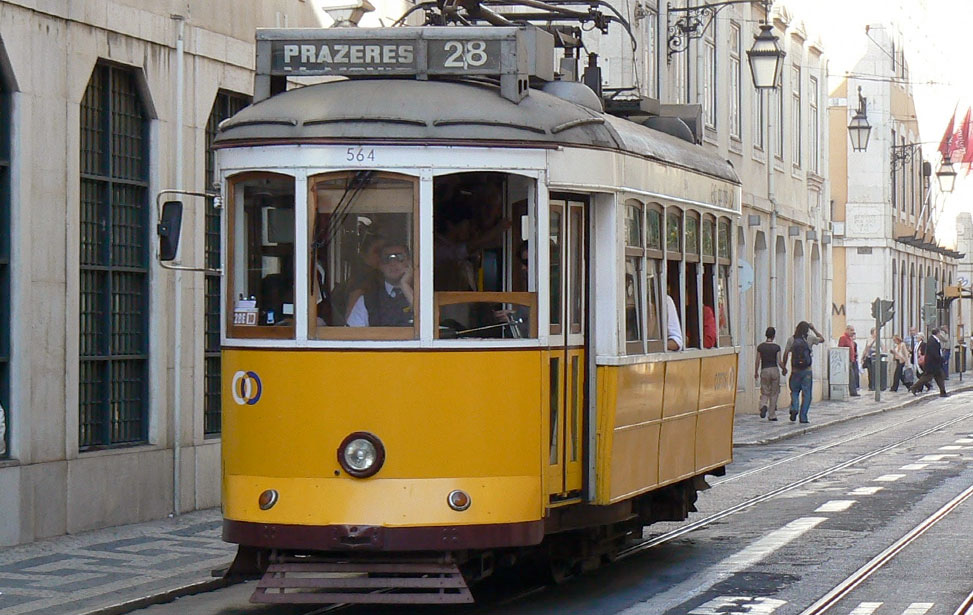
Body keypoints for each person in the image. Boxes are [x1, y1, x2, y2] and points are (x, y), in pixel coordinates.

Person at [346, 243, 414, 327]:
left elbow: (428, 325)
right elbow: (352, 336)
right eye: (386, 259)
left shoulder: (422, 294)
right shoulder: (367, 300)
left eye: (399, 257)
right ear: (380, 265)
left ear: (409, 262)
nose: (392, 263)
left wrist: (406, 286)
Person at [781, 321, 824, 423]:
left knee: (795, 391)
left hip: (795, 371)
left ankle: (795, 407)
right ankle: (803, 417)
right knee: (807, 394)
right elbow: (822, 339)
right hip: (807, 372)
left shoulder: (792, 339)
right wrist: (813, 329)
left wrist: (784, 367)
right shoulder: (810, 338)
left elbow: (786, 353)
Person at [754, 327, 786, 421]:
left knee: (764, 391)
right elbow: (779, 361)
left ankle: (763, 405)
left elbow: (757, 361)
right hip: (774, 370)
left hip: (765, 370)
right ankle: (772, 415)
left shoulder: (761, 347)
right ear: (774, 336)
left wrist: (756, 371)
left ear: (766, 335)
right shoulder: (776, 347)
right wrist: (784, 368)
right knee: (774, 393)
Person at [910, 327, 949, 397]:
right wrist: (942, 359)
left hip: (936, 364)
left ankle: (943, 392)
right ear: (938, 333)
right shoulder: (932, 341)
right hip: (932, 364)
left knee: (940, 377)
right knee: (926, 378)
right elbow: (934, 353)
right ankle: (914, 387)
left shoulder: (935, 340)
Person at [837, 325, 860, 397]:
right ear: (847, 330)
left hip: (852, 360)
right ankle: (853, 392)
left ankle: (853, 391)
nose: (853, 332)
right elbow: (840, 349)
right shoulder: (843, 338)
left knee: (853, 376)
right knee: (851, 376)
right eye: (851, 330)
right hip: (846, 360)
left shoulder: (850, 339)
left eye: (853, 330)